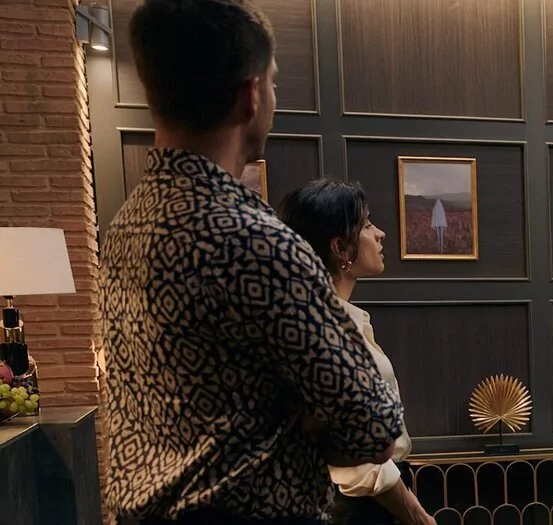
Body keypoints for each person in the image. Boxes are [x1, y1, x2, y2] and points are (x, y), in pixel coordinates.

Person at [99, 1, 404, 523]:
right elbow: (374, 429)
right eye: (275, 83)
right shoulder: (257, 243)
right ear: (251, 94)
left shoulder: (126, 225)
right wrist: (305, 414)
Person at [277, 180, 435, 525]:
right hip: (361, 507)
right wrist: (417, 515)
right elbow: (358, 464)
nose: (380, 234)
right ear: (340, 247)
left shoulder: (338, 319)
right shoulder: (324, 330)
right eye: (366, 225)